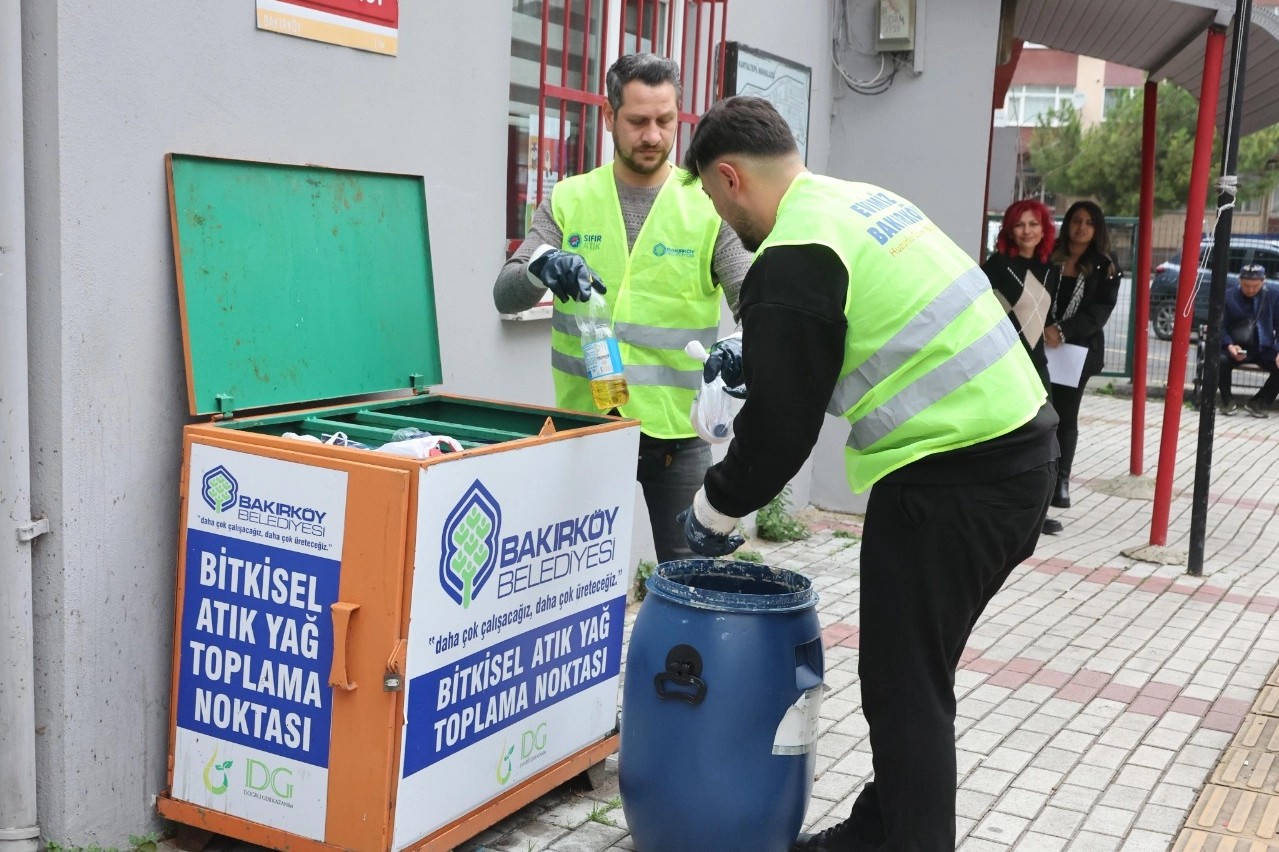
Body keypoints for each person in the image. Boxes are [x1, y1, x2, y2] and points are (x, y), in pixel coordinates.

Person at [677, 96, 1058, 852]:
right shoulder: (861, 203)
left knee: (902, 689)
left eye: (718, 206)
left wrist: (712, 512)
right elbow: (851, 325)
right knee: (916, 675)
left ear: (728, 179)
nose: (726, 224)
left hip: (952, 484)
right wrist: (757, 349)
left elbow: (781, 433)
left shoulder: (790, 255)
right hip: (1019, 456)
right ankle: (874, 835)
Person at [493, 54, 752, 564]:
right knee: (565, 582)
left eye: (665, 121)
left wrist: (743, 346)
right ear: (609, 117)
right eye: (637, 121)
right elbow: (505, 294)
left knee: (692, 583)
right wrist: (541, 266)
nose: (653, 136)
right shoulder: (569, 199)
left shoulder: (708, 204)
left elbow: (753, 298)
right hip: (583, 428)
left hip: (678, 435)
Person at [982, 199, 1065, 535]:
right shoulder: (997, 266)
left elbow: (1048, 316)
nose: (1027, 231)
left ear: (1044, 229)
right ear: (1009, 230)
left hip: (1037, 362)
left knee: (1041, 436)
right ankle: (995, 504)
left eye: (1034, 224)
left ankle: (1035, 511)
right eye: (1020, 224)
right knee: (1002, 433)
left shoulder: (1051, 269)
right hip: (1004, 362)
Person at [1042, 200, 1121, 509]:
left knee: (1065, 415)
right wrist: (1044, 328)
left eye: (1089, 222)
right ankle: (1038, 476)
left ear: (1097, 228)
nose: (1082, 227)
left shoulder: (1107, 265)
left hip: (1077, 351)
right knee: (1037, 413)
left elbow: (1099, 312)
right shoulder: (1049, 256)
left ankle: (1061, 480)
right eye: (1077, 220)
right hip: (1040, 345)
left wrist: (1061, 331)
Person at [1217, 263, 1279, 418]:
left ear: (1263, 281)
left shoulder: (1274, 295)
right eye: (1246, 285)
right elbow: (1220, 326)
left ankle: (1259, 402)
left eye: (1255, 286)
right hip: (1238, 346)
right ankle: (1227, 401)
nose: (1250, 290)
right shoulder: (1228, 296)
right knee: (1220, 360)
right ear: (1239, 281)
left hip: (1264, 346)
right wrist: (1229, 345)